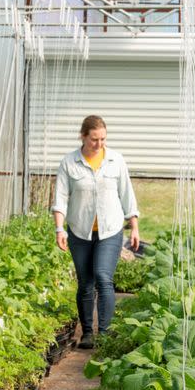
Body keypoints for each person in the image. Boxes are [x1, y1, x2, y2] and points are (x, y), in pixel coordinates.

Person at [51, 115, 140, 349]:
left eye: (102, 139)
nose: (99, 144)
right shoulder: (69, 163)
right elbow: (60, 199)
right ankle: (88, 332)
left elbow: (127, 194)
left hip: (110, 230)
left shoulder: (115, 160)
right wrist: (60, 229)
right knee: (85, 283)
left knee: (103, 277)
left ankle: (106, 332)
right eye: (94, 139)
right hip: (80, 231)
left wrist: (134, 226)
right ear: (83, 136)